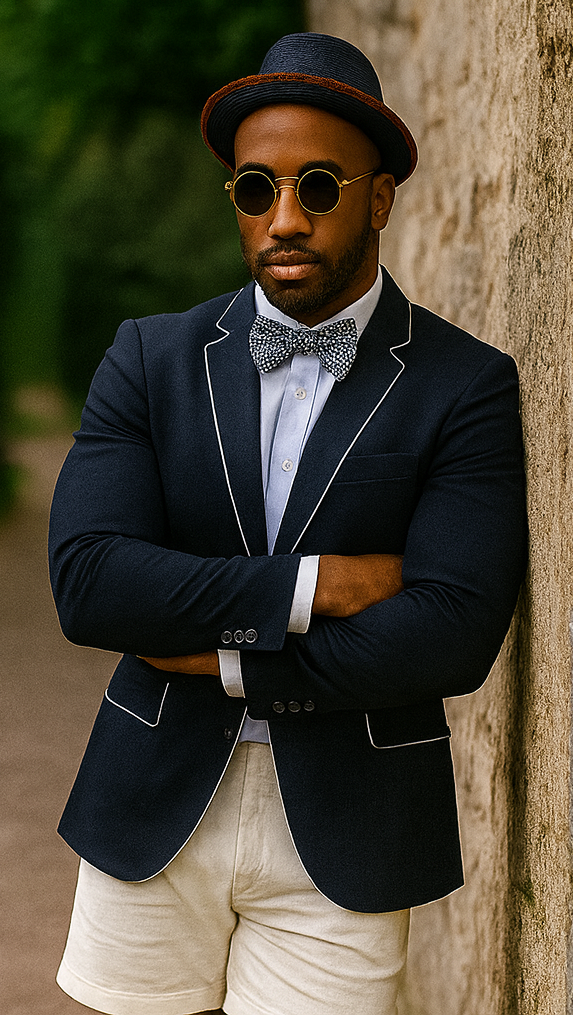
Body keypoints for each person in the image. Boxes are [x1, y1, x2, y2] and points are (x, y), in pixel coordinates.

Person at [49, 31, 527, 1015]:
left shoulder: (465, 384)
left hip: (352, 825)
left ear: (379, 196)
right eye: (256, 190)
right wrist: (319, 586)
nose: (284, 219)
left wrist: (226, 659)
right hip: (152, 799)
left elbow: (451, 633)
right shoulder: (150, 358)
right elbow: (92, 580)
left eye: (318, 185)